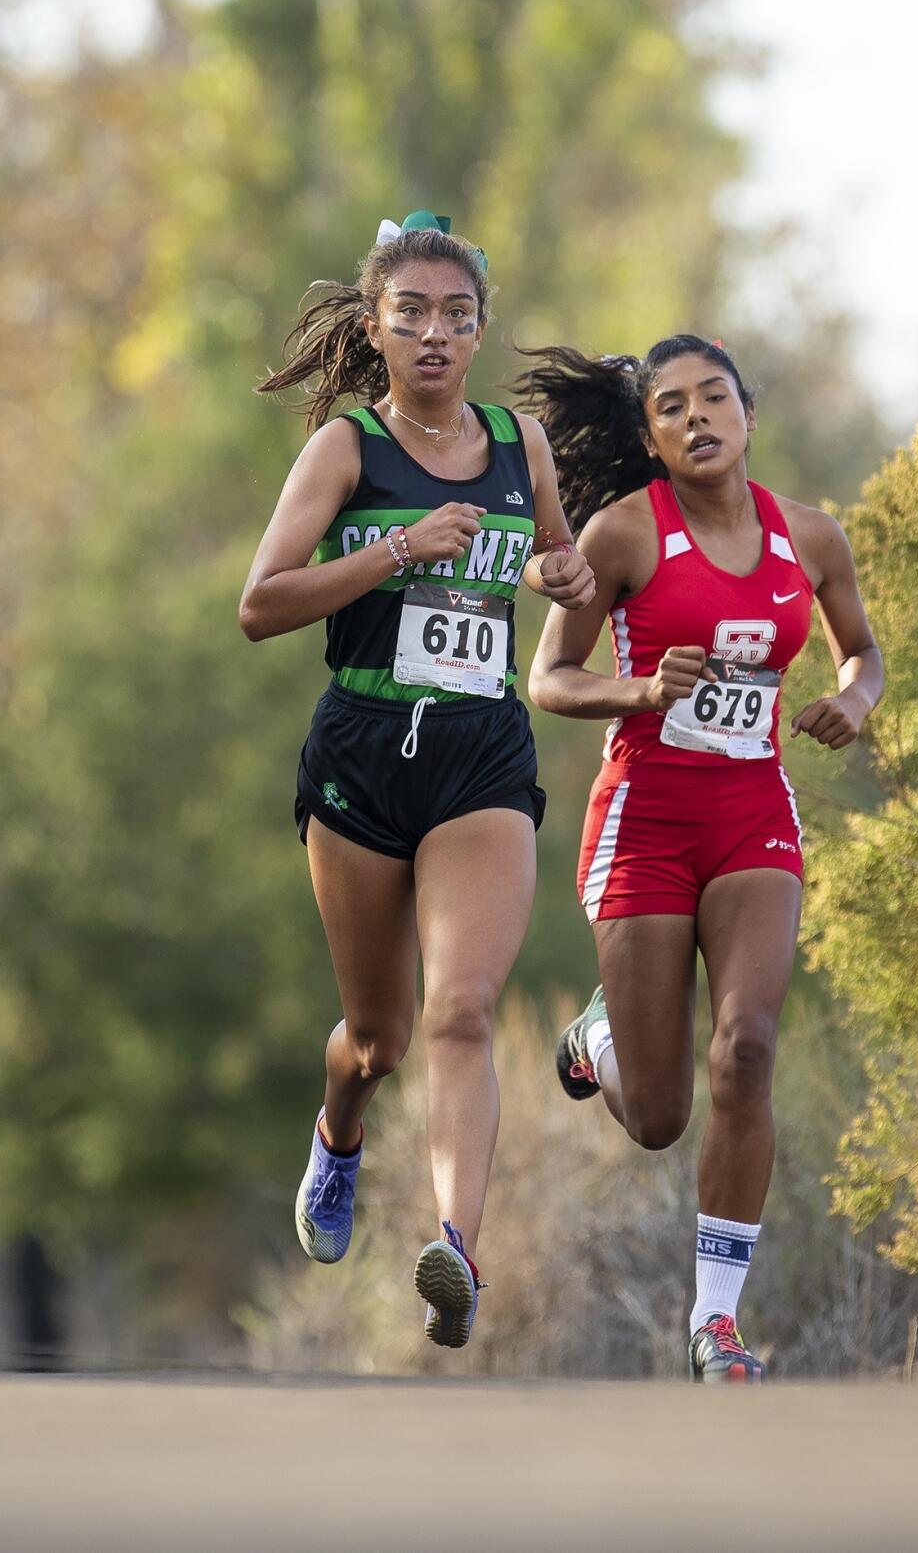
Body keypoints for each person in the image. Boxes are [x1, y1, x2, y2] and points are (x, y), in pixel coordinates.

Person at [239, 212, 594, 1349]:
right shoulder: (347, 449)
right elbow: (261, 605)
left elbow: (559, 571)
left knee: (463, 1008)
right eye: (412, 315)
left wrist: (565, 569)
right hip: (360, 754)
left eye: (456, 315)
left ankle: (457, 1248)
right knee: (379, 1035)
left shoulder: (520, 444)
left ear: (481, 328)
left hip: (479, 756)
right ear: (377, 328)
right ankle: (339, 1133)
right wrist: (396, 548)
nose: (435, 334)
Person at [516, 334, 883, 1381]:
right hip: (646, 817)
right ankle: (597, 1042)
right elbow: (551, 677)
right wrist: (638, 691)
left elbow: (863, 647)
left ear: (748, 413)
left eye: (712, 398)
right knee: (662, 1116)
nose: (695, 418)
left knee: (749, 1052)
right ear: (650, 439)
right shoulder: (625, 534)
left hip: (752, 812)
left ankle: (715, 1323)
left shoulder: (808, 538)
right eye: (669, 409)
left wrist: (854, 697)